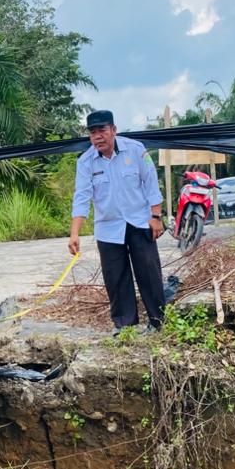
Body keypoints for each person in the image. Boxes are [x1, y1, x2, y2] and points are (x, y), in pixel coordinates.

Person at [67, 110, 167, 334]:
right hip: (108, 228)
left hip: (140, 222)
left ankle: (158, 321)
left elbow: (151, 182)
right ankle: (125, 326)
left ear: (113, 130)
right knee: (116, 278)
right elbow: (81, 197)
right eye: (93, 132)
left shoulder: (136, 150)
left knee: (149, 272)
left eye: (102, 130)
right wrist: (74, 234)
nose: (97, 136)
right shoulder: (86, 162)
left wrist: (156, 217)